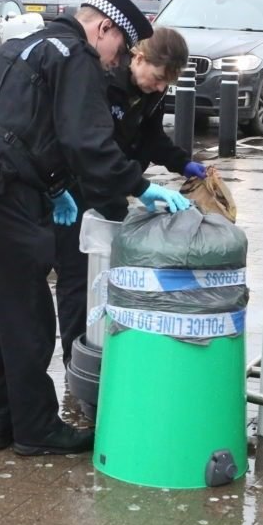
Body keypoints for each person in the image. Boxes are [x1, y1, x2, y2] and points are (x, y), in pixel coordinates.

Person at [0, 0, 190, 456]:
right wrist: (140, 186)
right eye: (120, 45)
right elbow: (88, 142)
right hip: (7, 196)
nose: (118, 59)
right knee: (26, 317)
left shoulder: (23, 45)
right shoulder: (75, 55)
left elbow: (23, 127)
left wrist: (57, 187)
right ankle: (37, 431)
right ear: (103, 28)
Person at [54, 26, 205, 367]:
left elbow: (151, 139)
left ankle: (111, 353)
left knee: (114, 275)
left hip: (115, 190)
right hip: (77, 194)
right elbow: (93, 147)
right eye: (158, 77)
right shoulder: (103, 81)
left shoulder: (151, 93)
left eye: (168, 83)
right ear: (138, 57)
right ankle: (78, 364)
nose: (161, 87)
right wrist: (141, 186)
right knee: (79, 280)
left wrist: (183, 162)